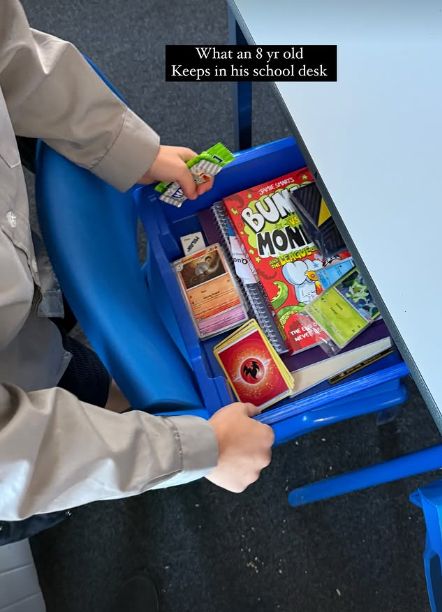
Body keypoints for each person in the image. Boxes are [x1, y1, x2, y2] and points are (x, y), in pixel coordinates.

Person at [0, 0, 274, 607]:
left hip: (23, 332)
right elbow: (12, 459)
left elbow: (13, 53)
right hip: (18, 463)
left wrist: (130, 150)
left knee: (85, 377)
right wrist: (196, 448)